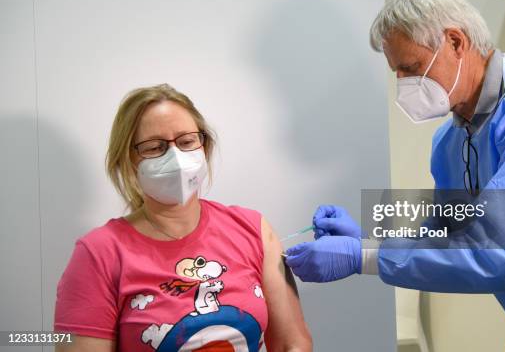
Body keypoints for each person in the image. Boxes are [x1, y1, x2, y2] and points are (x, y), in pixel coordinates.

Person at [285, 0, 505, 351]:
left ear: (456, 42)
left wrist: (361, 258)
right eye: (397, 72)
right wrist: (368, 241)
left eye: (412, 68)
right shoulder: (452, 139)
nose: (403, 84)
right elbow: (448, 234)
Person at [54, 84, 312, 352]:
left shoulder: (252, 229)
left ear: (204, 146)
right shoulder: (98, 254)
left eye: (186, 141)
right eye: (155, 147)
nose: (175, 158)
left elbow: (292, 343)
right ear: (129, 160)